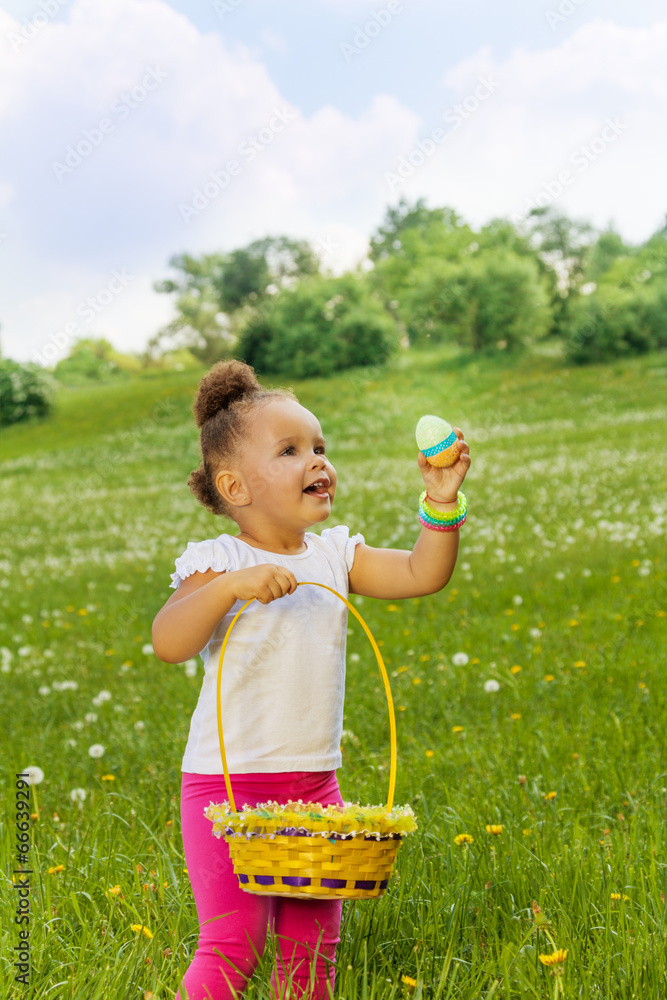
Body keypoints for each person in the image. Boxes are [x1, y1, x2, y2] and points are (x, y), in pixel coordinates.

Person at [152, 359, 471, 1000]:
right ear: (236, 487)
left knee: (312, 953)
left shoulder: (334, 555)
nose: (318, 460)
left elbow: (420, 574)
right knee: (230, 943)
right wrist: (232, 588)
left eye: (320, 446)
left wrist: (441, 504)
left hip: (313, 786)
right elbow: (169, 641)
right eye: (292, 449)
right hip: (226, 788)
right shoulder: (221, 561)